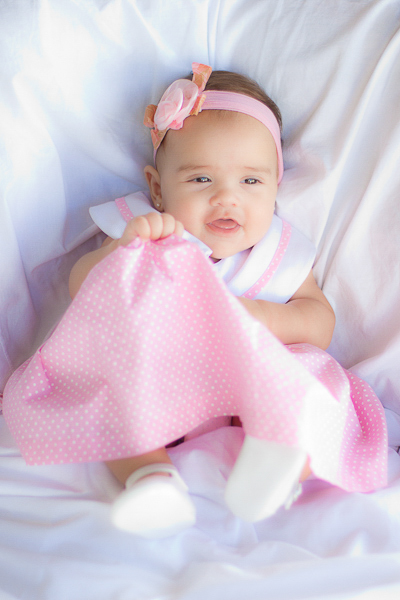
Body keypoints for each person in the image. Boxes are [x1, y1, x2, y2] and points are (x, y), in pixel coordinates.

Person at [3, 63, 387, 539]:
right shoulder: (148, 233)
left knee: (314, 375)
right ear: (158, 189)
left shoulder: (277, 251)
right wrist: (123, 251)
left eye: (251, 182)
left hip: (255, 379)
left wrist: (260, 317)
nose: (227, 197)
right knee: (112, 386)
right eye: (202, 180)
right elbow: (82, 288)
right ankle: (151, 478)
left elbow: (319, 320)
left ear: (275, 185)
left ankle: (281, 460)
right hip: (164, 377)